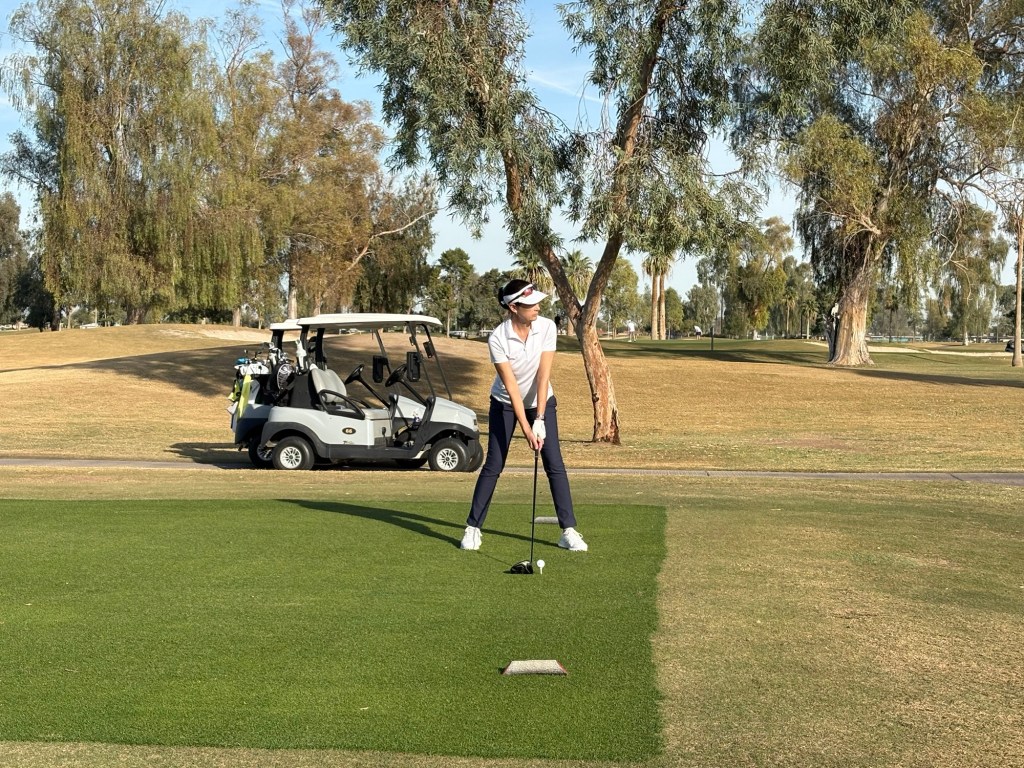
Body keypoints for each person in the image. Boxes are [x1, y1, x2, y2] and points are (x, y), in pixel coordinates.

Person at [460, 279, 588, 553]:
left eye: (537, 302)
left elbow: (543, 376)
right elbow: (512, 389)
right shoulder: (498, 338)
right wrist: (527, 431)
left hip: (542, 401)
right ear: (513, 307)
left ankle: (568, 531)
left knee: (554, 463)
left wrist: (539, 419)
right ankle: (473, 528)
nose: (538, 307)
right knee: (494, 464)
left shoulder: (547, 327)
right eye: (531, 304)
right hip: (505, 403)